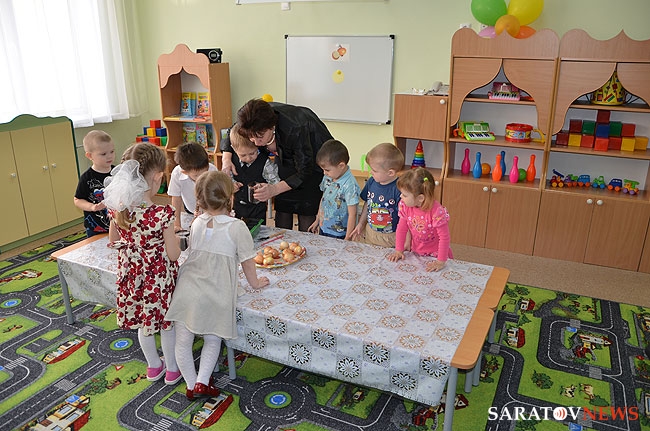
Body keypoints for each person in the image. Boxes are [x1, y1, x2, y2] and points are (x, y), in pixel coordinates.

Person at [166, 171, 269, 400]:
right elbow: (247, 262)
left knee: (182, 340)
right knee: (213, 338)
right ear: (230, 198)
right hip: (217, 289)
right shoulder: (237, 227)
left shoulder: (196, 222)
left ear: (200, 200)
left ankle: (190, 385)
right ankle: (202, 382)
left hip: (188, 286)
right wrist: (255, 283)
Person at [103, 143, 182, 385]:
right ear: (158, 176)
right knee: (166, 323)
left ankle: (153, 366)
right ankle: (172, 369)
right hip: (158, 279)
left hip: (133, 276)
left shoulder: (120, 208)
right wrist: (179, 243)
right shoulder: (162, 213)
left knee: (143, 322)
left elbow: (113, 241)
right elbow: (173, 255)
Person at [220, 98, 333, 231]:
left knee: (306, 209)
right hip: (287, 156)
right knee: (283, 207)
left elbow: (304, 171)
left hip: (312, 161)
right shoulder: (251, 120)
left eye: (259, 137)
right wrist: (226, 159)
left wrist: (274, 189)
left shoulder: (295, 128)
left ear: (271, 127)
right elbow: (231, 132)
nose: (255, 142)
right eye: (251, 137)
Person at [387, 167, 453, 272]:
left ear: (420, 198)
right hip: (416, 251)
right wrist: (399, 250)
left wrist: (440, 261)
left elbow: (444, 237)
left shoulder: (436, 211)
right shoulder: (405, 205)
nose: (401, 196)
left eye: (405, 195)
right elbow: (401, 229)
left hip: (436, 255)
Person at [351, 143, 404, 248]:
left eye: (374, 170)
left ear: (390, 173)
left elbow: (404, 217)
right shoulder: (371, 182)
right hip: (370, 233)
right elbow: (367, 203)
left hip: (391, 238)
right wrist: (361, 223)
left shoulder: (399, 189)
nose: (371, 172)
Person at [308, 139, 360, 240]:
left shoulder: (350, 185)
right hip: (324, 227)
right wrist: (317, 220)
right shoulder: (328, 176)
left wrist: (348, 238)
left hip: (340, 233)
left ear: (341, 166)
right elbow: (323, 199)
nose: (324, 173)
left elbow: (352, 214)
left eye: (327, 170)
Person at [229, 124, 280, 223]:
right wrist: (231, 185)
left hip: (257, 209)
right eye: (243, 155)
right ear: (234, 149)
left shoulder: (265, 162)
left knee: (258, 229)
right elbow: (227, 179)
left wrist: (265, 187)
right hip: (238, 207)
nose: (248, 158)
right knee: (238, 229)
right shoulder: (231, 162)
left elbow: (275, 181)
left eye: (252, 153)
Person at [167, 142, 218, 231]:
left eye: (205, 172)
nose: (202, 177)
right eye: (196, 175)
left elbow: (216, 197)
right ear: (185, 172)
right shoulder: (177, 173)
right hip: (190, 208)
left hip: (210, 209)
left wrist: (203, 216)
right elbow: (176, 199)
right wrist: (177, 224)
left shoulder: (213, 170)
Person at [74, 130, 115, 237]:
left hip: (117, 224)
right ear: (89, 156)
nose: (109, 156)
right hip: (95, 227)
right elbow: (78, 200)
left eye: (112, 151)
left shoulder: (117, 173)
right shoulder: (86, 178)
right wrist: (92, 207)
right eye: (103, 154)